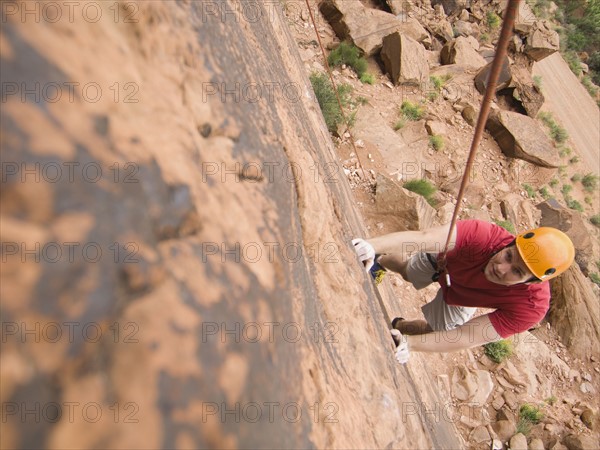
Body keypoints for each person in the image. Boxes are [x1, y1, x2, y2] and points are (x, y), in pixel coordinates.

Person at [352, 220, 575, 364]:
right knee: (409, 271)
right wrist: (372, 245)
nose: (501, 268)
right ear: (512, 243)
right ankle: (380, 261)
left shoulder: (530, 308)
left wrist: (410, 344)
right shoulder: (485, 236)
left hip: (465, 298)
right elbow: (423, 238)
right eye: (508, 256)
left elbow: (467, 336)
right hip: (446, 263)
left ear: (531, 282)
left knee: (439, 330)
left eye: (516, 271)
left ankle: (401, 327)